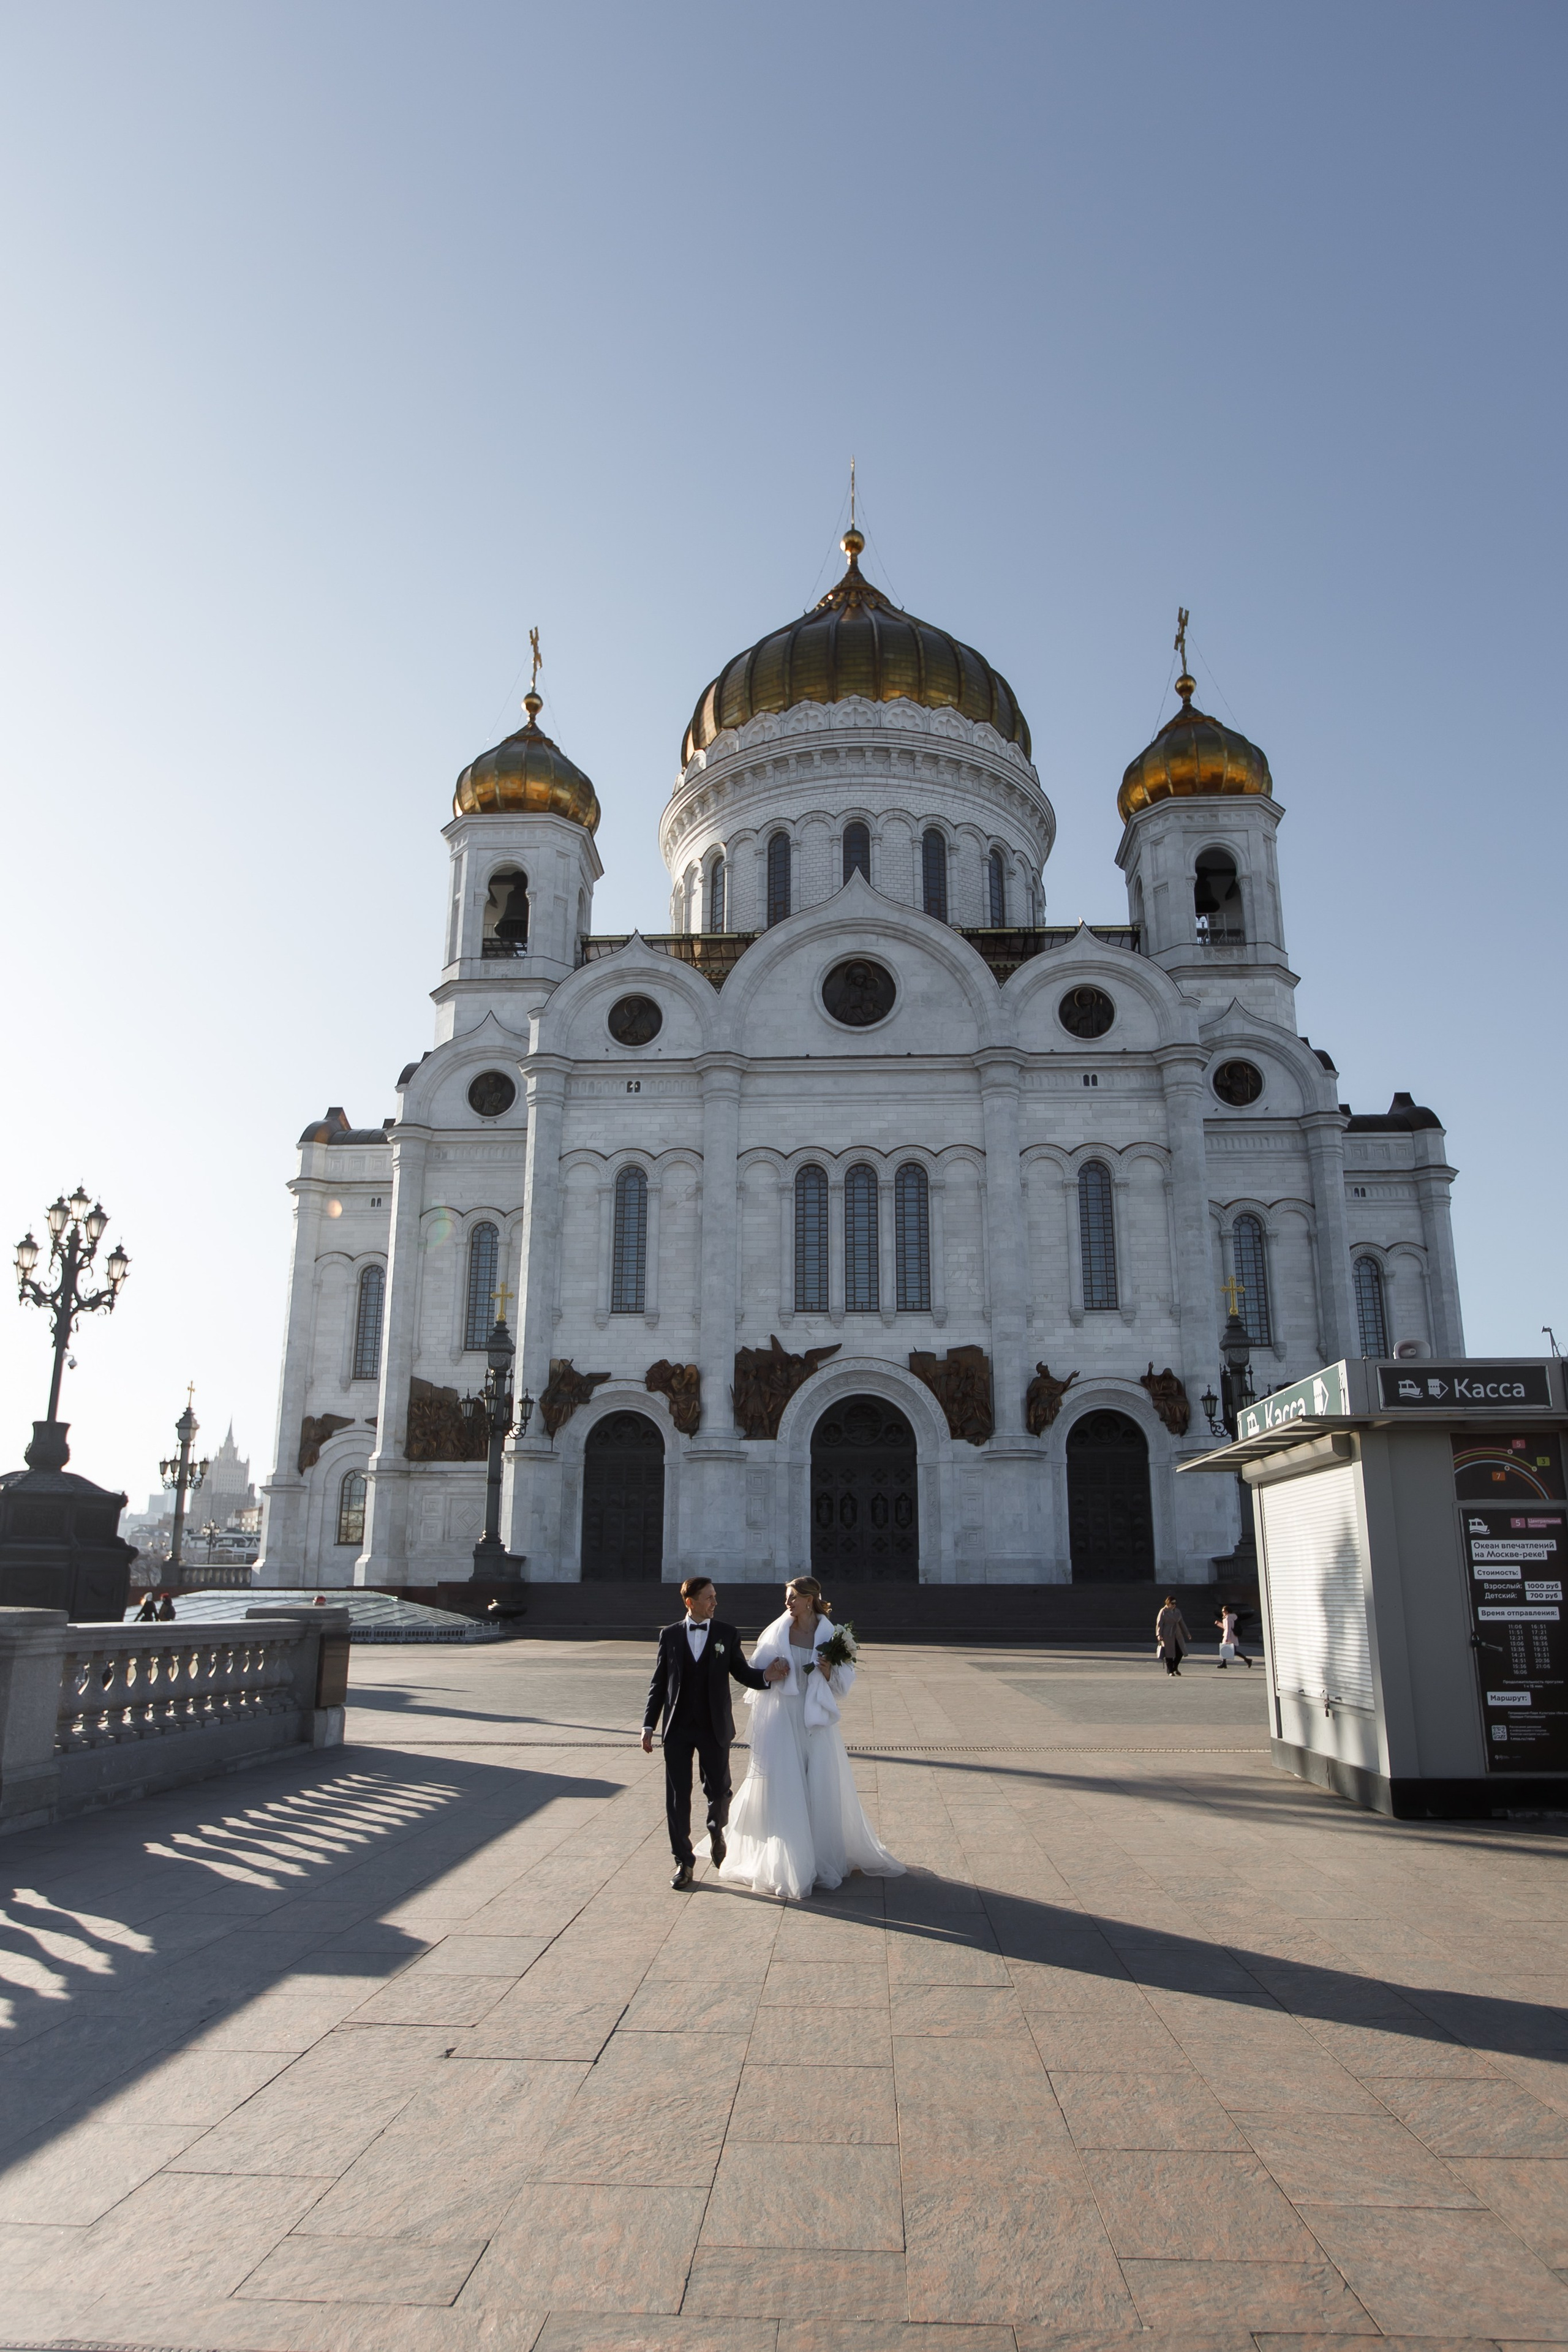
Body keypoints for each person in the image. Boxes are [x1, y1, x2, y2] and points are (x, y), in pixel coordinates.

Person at [718, 1576, 905, 1901]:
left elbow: (845, 1683)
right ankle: (790, 1858)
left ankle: (820, 1856)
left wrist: (830, 1669)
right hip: (784, 1713)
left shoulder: (833, 1635)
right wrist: (772, 1671)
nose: (787, 1603)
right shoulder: (777, 1632)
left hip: (815, 1717)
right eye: (787, 1597)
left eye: (792, 1597)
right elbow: (756, 1673)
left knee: (819, 1781)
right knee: (784, 1783)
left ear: (809, 1599)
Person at [642, 1575, 786, 1890]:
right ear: (690, 1602)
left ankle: (717, 1831)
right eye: (709, 1598)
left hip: (714, 1727)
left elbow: (742, 1672)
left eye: (715, 1596)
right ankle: (683, 1861)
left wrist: (768, 1676)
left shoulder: (727, 1633)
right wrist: (649, 1725)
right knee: (678, 1797)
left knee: (719, 1792)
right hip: (677, 1729)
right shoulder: (669, 1635)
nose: (715, 1602)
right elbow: (659, 1682)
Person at [1155, 1596, 1191, 1676]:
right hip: (1168, 1634)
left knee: (1180, 1652)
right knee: (1169, 1653)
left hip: (1177, 1634)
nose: (1174, 1605)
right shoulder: (1163, 1611)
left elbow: (1182, 1623)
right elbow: (1159, 1624)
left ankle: (1175, 1667)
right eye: (1172, 1603)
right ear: (1168, 1603)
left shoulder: (1177, 1611)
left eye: (1175, 1603)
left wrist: (1187, 1633)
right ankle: (1170, 1671)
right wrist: (1159, 1635)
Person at [1215, 1600, 1253, 1667]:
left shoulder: (1228, 1618)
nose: (1222, 1613)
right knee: (1226, 1649)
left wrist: (1226, 1638)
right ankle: (1224, 1663)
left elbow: (1229, 1628)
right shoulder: (1231, 1617)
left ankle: (1247, 1660)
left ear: (1227, 1611)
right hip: (1232, 1635)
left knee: (1230, 1650)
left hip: (1229, 1636)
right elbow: (1228, 1627)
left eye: (1223, 1611)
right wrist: (1219, 1624)